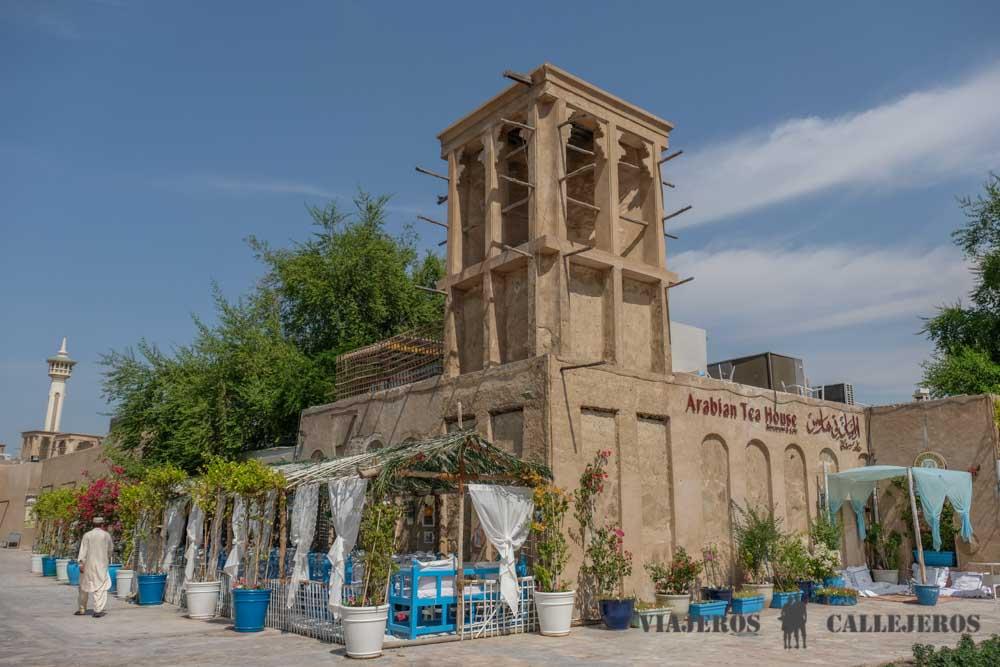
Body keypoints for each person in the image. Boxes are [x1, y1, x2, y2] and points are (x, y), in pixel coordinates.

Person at [75, 516, 114, 618]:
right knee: (101, 587)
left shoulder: (87, 535)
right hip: (101, 565)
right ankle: (98, 610)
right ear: (102, 524)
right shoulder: (106, 535)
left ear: (93, 524)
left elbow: (83, 550)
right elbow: (110, 550)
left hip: (88, 565)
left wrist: (81, 563)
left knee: (83, 586)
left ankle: (82, 609)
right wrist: (106, 558)